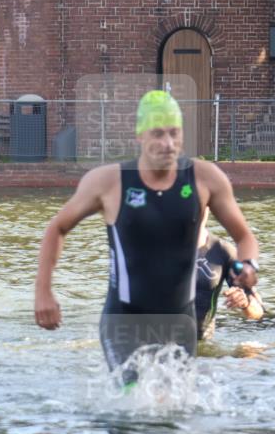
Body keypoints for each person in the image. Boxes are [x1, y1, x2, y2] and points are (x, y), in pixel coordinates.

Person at [34, 90, 259, 383]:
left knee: (172, 415)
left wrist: (250, 266)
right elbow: (57, 228)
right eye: (157, 134)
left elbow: (244, 236)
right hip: (124, 321)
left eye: (174, 133)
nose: (168, 144)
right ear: (139, 136)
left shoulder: (205, 178)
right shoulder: (108, 181)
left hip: (180, 322)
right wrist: (43, 291)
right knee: (132, 405)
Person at [195, 208, 264, 341]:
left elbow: (258, 311)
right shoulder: (154, 247)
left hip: (201, 345)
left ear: (209, 207)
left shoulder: (222, 251)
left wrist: (244, 303)